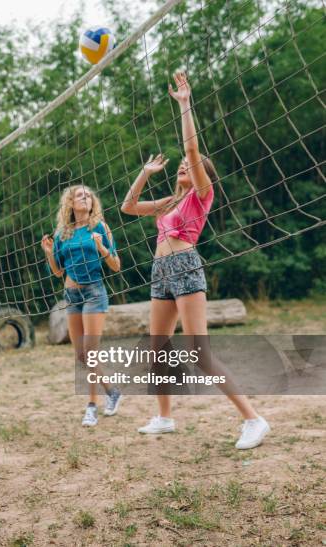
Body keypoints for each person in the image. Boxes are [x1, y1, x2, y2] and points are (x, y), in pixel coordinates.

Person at [120, 72, 270, 450]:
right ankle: (164, 417)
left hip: (185, 267)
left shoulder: (202, 195)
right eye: (184, 167)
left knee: (199, 352)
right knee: (157, 347)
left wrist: (185, 105)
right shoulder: (169, 202)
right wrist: (144, 172)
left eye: (194, 164)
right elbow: (127, 206)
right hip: (160, 271)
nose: (186, 166)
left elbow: (190, 151)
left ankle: (253, 420)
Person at [42, 184, 122, 427]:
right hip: (71, 296)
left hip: (94, 293)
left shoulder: (100, 227)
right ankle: (113, 392)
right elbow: (57, 271)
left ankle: (91, 407)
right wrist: (48, 252)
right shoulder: (62, 234)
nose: (85, 198)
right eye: (80, 195)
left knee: (90, 352)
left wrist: (101, 247)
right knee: (81, 355)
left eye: (89, 195)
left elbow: (116, 265)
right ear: (71, 203)